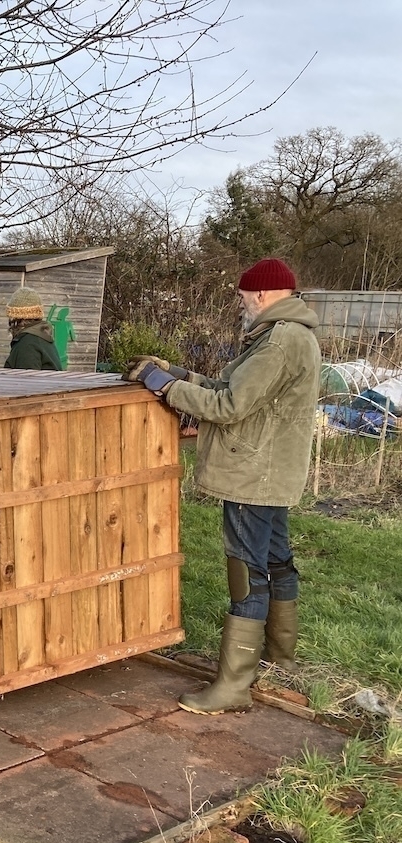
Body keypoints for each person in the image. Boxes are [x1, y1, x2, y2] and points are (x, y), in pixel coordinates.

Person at [123, 258, 321, 715]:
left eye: (242, 296)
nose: (240, 304)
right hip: (272, 471)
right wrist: (177, 373)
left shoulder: (280, 341)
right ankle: (280, 656)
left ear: (262, 295)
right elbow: (232, 387)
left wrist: (162, 388)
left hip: (253, 474)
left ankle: (233, 686)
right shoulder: (290, 335)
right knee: (276, 559)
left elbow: (229, 405)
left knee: (246, 571)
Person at [3, 287, 64, 370]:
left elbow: (26, 381)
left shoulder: (27, 345)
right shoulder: (42, 336)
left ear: (17, 319)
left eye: (11, 317)